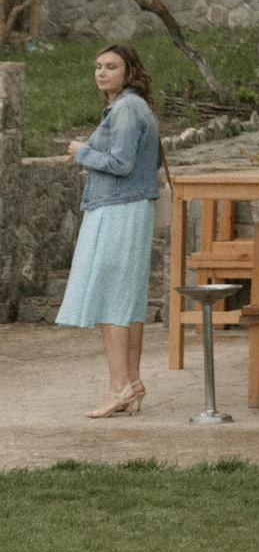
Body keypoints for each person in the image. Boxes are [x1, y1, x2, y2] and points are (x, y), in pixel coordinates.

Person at [57, 45, 163, 419]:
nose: (102, 73)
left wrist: (81, 150)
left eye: (111, 67)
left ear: (129, 70)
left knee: (112, 296)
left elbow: (121, 163)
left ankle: (118, 386)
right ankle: (130, 382)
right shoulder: (131, 107)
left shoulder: (126, 109)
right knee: (127, 299)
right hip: (127, 206)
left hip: (118, 207)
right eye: (98, 66)